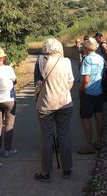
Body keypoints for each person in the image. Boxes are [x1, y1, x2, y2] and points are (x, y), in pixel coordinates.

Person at [34, 38, 74, 183]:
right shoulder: (67, 61)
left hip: (45, 104)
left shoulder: (40, 61)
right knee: (64, 135)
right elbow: (70, 84)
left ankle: (46, 173)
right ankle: (67, 169)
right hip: (64, 103)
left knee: (46, 138)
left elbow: (37, 84)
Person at [78, 38, 104, 154]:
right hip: (99, 90)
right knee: (98, 116)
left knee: (85, 118)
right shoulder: (100, 58)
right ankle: (99, 141)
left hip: (88, 92)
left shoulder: (87, 60)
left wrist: (81, 89)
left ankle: (89, 145)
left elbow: (86, 79)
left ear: (87, 47)